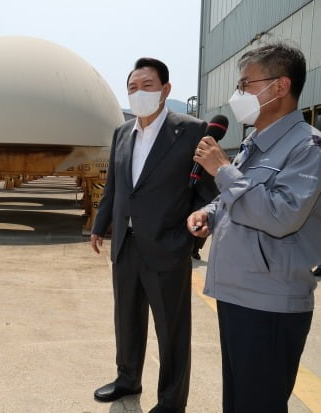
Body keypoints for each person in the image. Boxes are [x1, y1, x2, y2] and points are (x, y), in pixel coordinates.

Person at [187, 42, 321, 413]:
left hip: (271, 303)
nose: (238, 95)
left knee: (258, 404)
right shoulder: (254, 144)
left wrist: (222, 170)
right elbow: (237, 197)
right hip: (238, 293)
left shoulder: (307, 148)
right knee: (240, 402)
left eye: (246, 85)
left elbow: (281, 215)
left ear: (280, 86)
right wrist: (209, 215)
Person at [91, 57, 217, 413]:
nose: (139, 93)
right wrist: (100, 225)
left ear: (166, 90)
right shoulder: (122, 132)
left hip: (168, 246)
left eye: (147, 86)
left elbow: (205, 192)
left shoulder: (192, 130)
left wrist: (191, 240)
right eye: (132, 88)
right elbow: (114, 188)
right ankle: (127, 379)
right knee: (127, 320)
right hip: (127, 246)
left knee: (172, 331)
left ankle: (171, 402)